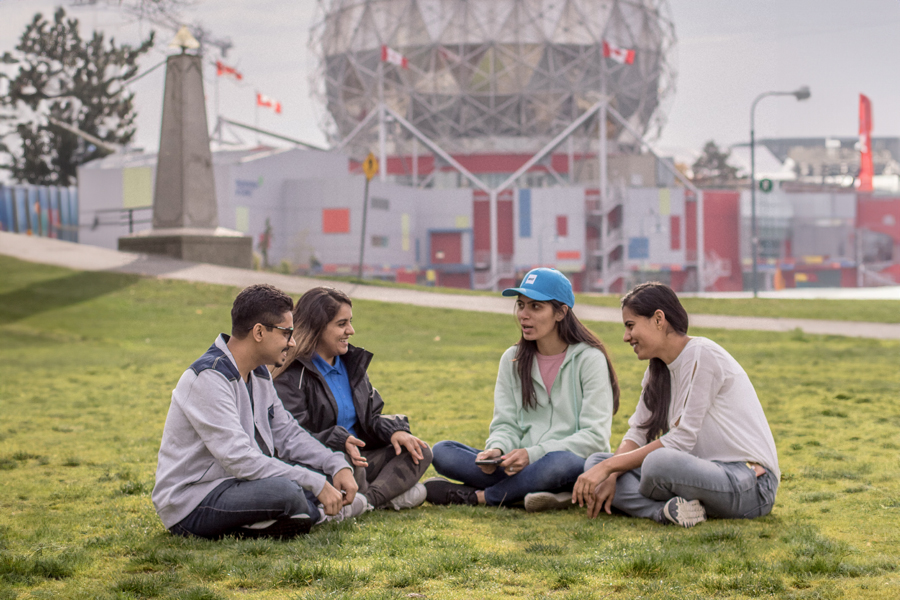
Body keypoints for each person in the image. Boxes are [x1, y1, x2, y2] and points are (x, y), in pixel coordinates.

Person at [152, 284, 366, 540]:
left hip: (239, 485)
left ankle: (291, 517)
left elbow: (288, 434)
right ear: (259, 332)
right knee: (287, 491)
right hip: (193, 501)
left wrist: (335, 464)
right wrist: (314, 483)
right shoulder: (208, 378)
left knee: (312, 478)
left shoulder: (259, 373)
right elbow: (240, 459)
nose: (293, 342)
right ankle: (317, 514)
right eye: (287, 333)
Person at [573, 282, 780, 528]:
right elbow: (638, 431)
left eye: (630, 326)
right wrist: (609, 472)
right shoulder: (657, 371)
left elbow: (681, 440)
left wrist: (611, 468)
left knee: (656, 463)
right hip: (700, 474)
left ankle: (659, 497)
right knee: (595, 462)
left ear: (658, 319)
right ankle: (666, 511)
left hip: (750, 483)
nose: (626, 337)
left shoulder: (702, 354)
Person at [426, 268, 620, 512]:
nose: (523, 315)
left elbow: (595, 438)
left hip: (566, 463)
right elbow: (506, 424)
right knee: (443, 451)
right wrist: (497, 449)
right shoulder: (512, 359)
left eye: (535, 307)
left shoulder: (589, 359)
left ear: (561, 312)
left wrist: (533, 454)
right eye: (520, 305)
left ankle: (481, 497)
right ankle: (530, 493)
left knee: (559, 464)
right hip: (517, 466)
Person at [273, 287, 432, 511]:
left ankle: (368, 501)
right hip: (325, 463)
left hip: (361, 460)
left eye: (350, 322)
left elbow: (371, 416)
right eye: (341, 324)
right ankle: (389, 496)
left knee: (419, 451)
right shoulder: (292, 376)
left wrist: (396, 431)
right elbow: (290, 438)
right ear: (317, 328)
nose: (351, 330)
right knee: (348, 462)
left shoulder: (352, 366)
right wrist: (339, 441)